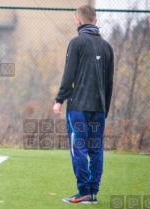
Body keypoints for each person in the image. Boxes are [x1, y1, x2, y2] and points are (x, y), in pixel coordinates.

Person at [53, 5, 114, 204]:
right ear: (95, 21)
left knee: (79, 148)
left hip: (78, 107)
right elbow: (109, 82)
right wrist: (105, 108)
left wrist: (59, 99)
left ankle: (83, 192)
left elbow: (68, 75)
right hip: (99, 108)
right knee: (96, 148)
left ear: (78, 21)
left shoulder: (76, 42)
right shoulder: (107, 47)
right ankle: (93, 193)